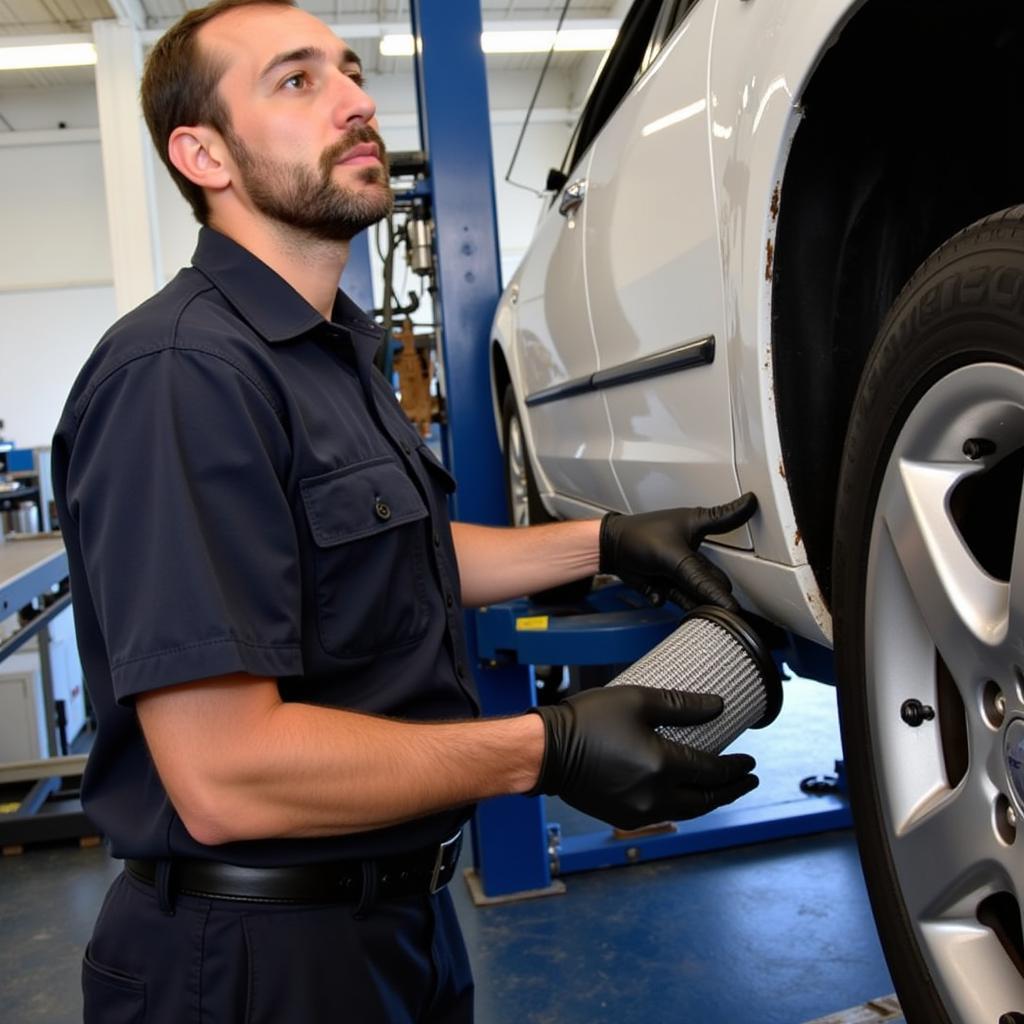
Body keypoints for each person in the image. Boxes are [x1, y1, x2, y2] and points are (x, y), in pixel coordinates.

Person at [52, 1, 760, 1020]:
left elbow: (402, 552)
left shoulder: (330, 350)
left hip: (400, 922)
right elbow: (224, 772)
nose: (355, 101)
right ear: (201, 153)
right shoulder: (182, 376)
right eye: (296, 82)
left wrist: (599, 542)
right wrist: (545, 744)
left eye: (349, 72)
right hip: (253, 964)